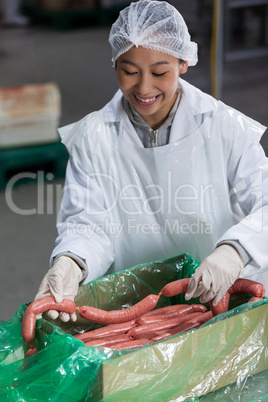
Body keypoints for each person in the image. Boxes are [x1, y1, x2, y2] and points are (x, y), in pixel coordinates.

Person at [35, 0, 268, 322]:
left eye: (160, 72)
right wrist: (72, 261)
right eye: (129, 72)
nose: (144, 88)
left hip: (220, 294)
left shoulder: (225, 128)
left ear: (184, 62)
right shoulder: (94, 136)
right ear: (115, 63)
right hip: (134, 307)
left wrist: (235, 251)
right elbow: (88, 220)